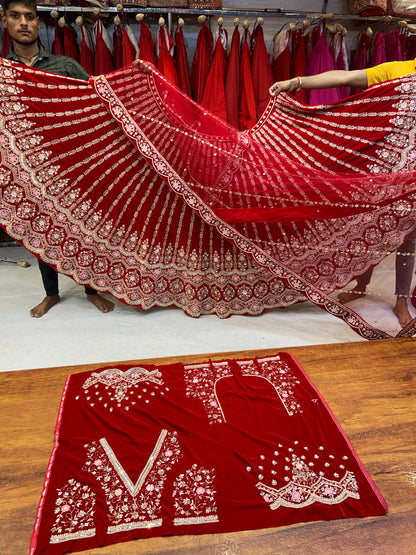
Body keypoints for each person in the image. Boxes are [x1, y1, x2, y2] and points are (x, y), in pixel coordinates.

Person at [269, 63, 416, 328]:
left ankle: (401, 301)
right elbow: (345, 76)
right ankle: (362, 285)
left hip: (412, 177)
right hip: (382, 167)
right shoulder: (401, 70)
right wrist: (298, 81)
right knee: (368, 224)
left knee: (408, 236)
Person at [1, 0, 114, 317]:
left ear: (38, 23)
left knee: (83, 229)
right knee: (40, 229)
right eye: (15, 16)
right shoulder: (4, 73)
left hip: (70, 165)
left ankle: (91, 289)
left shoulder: (64, 66)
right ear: (5, 22)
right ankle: (51, 293)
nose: (24, 22)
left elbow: (96, 103)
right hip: (28, 169)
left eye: (30, 17)